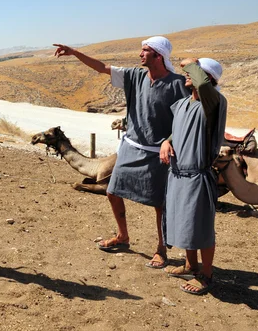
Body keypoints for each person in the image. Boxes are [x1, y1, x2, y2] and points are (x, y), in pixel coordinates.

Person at [53, 37, 190, 268]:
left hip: (159, 153)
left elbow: (187, 119)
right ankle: (123, 236)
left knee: (160, 204)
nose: (140, 54)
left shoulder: (177, 84)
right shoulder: (135, 76)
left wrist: (170, 141)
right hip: (131, 147)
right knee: (112, 190)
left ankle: (161, 248)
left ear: (158, 56)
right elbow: (102, 68)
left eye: (145, 51)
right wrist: (75, 52)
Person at [159, 58, 227, 295]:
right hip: (177, 174)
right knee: (183, 223)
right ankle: (190, 265)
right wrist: (166, 143)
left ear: (206, 78)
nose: (186, 75)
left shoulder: (214, 103)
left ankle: (206, 275)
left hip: (198, 176)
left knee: (201, 227)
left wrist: (191, 64)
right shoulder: (183, 104)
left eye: (193, 72)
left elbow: (205, 88)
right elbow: (177, 131)